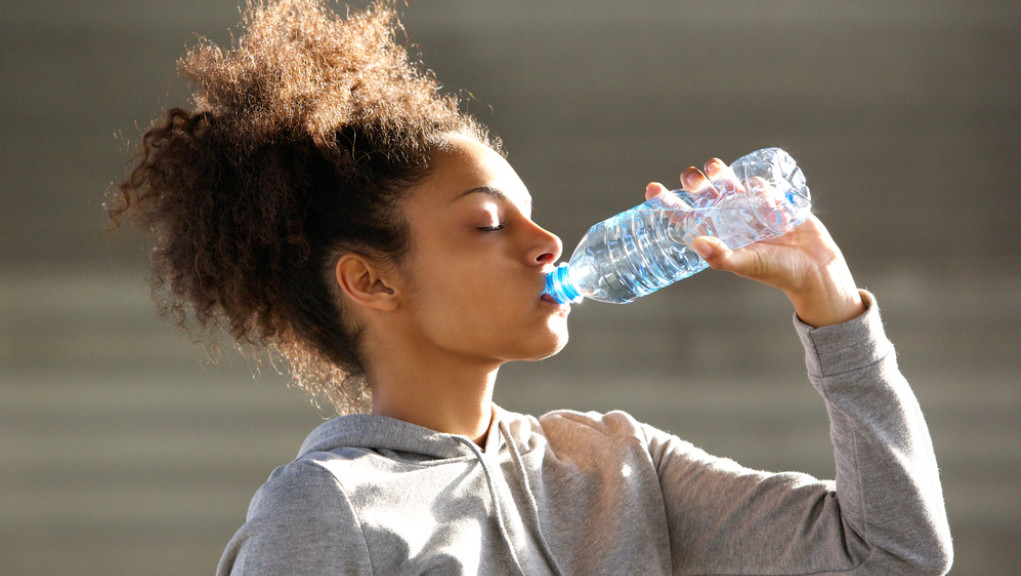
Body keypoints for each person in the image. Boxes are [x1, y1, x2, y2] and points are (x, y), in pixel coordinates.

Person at [108, 1, 954, 574]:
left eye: (533, 214)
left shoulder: (618, 466)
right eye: (487, 223)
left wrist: (831, 306)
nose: (547, 242)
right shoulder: (324, 510)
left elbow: (894, 554)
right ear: (371, 280)